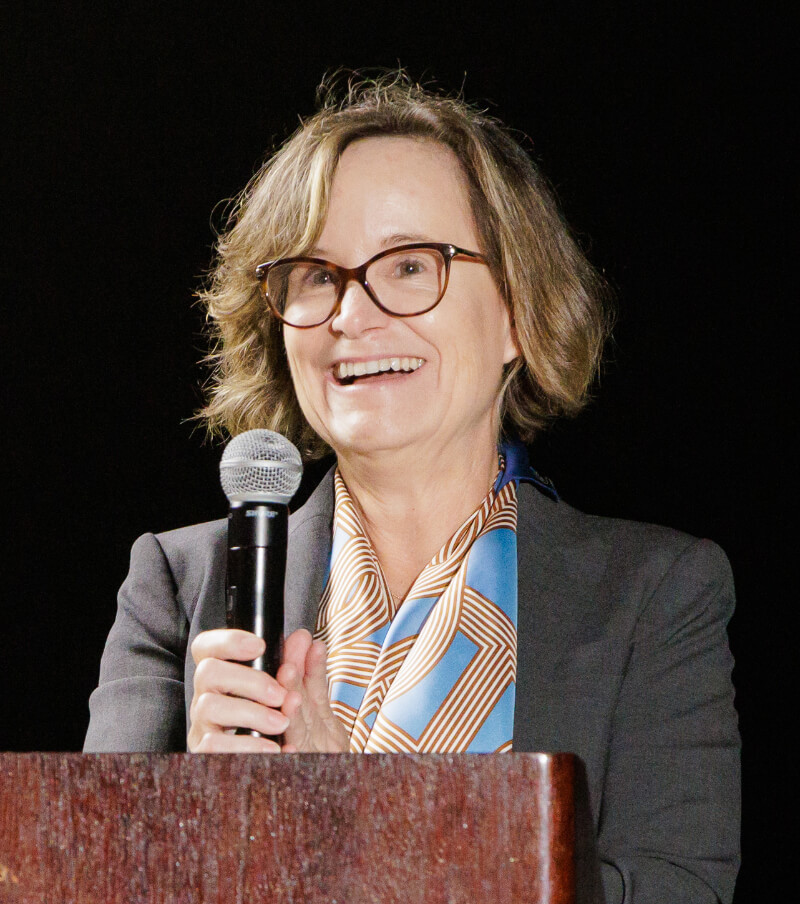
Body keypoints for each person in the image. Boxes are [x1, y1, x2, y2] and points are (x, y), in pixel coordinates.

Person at [84, 73, 740, 902]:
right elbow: (79, 875)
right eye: (316, 274)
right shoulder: (180, 589)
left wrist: (346, 821)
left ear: (516, 312)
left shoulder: (652, 596)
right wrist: (195, 827)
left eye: (407, 266)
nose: (350, 315)